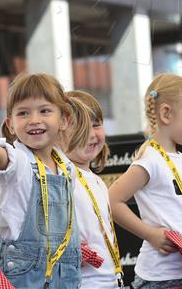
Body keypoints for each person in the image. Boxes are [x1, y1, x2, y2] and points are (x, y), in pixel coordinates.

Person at [0, 73, 90, 288]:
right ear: (11, 125)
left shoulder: (65, 165)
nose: (34, 120)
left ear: (64, 120)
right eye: (23, 113)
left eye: (44, 111)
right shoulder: (20, 161)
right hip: (24, 275)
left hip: (65, 273)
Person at [109, 74, 182, 289]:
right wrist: (150, 234)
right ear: (166, 113)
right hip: (161, 279)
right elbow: (112, 200)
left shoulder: (180, 158)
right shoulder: (151, 160)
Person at [63, 90, 123, 288]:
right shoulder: (60, 177)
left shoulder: (97, 182)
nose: (90, 134)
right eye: (79, 127)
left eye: (96, 124)